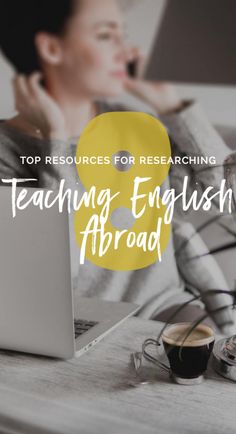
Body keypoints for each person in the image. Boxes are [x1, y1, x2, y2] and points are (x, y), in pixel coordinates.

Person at [0, 0, 234, 332]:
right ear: (52, 48)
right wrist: (56, 143)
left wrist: (174, 105)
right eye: (107, 35)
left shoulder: (136, 126)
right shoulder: (6, 153)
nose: (127, 51)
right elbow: (52, 278)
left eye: (123, 34)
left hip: (163, 313)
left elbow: (228, 200)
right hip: (69, 327)